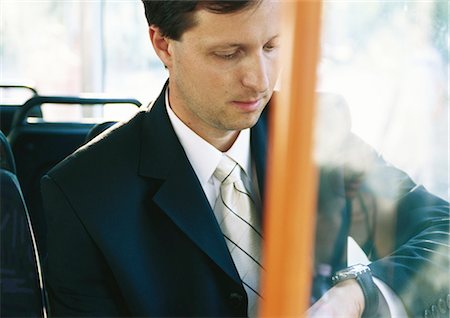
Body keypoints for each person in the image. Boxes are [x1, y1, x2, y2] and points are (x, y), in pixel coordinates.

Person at [40, 1, 449, 317]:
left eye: (273, 46)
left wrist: (356, 294)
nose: (261, 79)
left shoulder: (315, 132)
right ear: (163, 44)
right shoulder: (80, 194)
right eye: (229, 53)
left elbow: (441, 231)